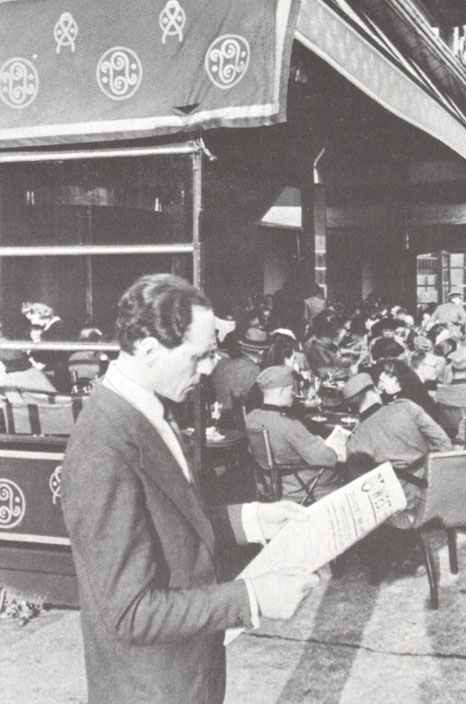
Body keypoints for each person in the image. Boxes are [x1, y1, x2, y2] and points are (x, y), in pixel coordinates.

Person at [62, 274, 319, 704]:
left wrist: (252, 519)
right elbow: (130, 612)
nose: (208, 370)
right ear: (147, 350)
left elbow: (175, 526)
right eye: (198, 357)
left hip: (186, 676)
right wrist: (251, 597)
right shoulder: (102, 448)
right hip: (151, 688)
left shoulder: (149, 410)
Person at [345, 369, 451, 527]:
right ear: (374, 390)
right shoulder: (406, 406)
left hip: (403, 504)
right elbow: (444, 444)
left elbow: (366, 490)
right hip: (437, 488)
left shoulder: (354, 441)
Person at [246, 365, 340, 502]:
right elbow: (328, 458)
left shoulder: (251, 418)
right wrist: (325, 444)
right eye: (292, 389)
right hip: (301, 487)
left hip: (269, 484)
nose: (294, 394)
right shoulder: (289, 424)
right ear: (281, 391)